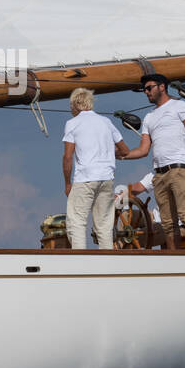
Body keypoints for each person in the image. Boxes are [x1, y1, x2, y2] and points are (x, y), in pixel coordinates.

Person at [120, 73, 185, 250]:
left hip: (178, 169)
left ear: (162, 87)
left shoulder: (179, 106)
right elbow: (143, 150)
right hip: (159, 175)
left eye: (149, 88)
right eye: (144, 89)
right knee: (167, 222)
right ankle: (173, 260)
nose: (146, 92)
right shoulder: (149, 118)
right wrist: (121, 155)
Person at [62, 88, 130, 249]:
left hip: (85, 179)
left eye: (71, 106)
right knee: (104, 225)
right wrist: (107, 152)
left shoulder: (72, 123)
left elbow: (68, 157)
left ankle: (80, 260)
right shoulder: (106, 121)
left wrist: (67, 184)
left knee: (76, 222)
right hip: (106, 178)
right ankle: (107, 259)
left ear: (76, 104)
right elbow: (125, 150)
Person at [124, 172, 185, 247]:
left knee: (131, 238)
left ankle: (123, 250)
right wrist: (119, 196)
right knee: (126, 215)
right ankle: (121, 244)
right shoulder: (156, 174)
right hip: (155, 217)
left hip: (176, 226)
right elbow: (136, 188)